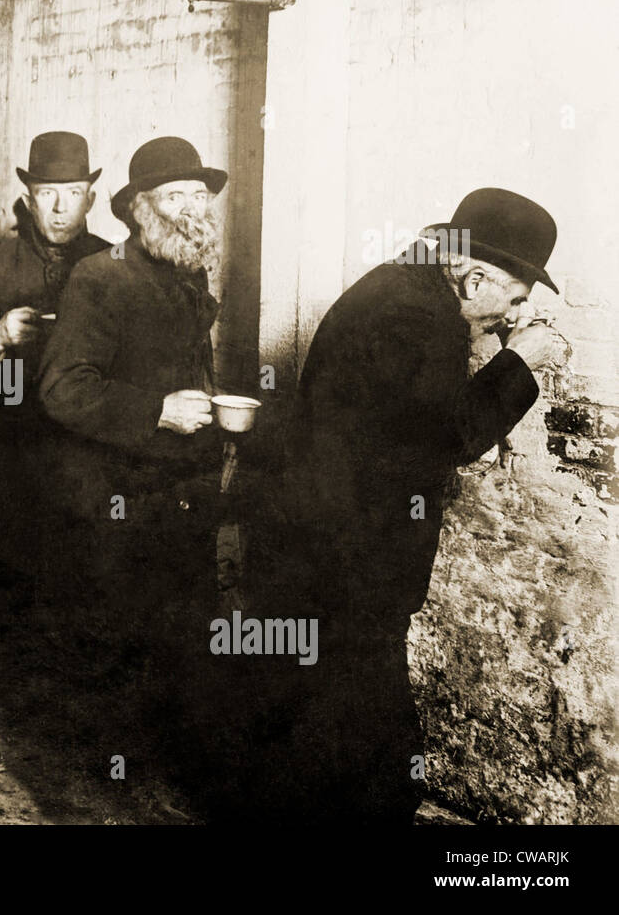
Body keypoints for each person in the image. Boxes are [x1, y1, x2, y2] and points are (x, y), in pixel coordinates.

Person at [236, 188, 564, 825]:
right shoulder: (421, 319)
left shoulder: (401, 288)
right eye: (515, 301)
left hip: (325, 540)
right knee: (365, 738)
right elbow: (450, 435)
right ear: (472, 279)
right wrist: (521, 360)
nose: (510, 318)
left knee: (326, 715)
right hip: (350, 555)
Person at [39, 135, 227, 780]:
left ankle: (167, 768)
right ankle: (96, 787)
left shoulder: (187, 269)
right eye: (174, 196)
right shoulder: (100, 276)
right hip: (111, 492)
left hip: (180, 488)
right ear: (140, 207)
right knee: (113, 640)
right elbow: (63, 390)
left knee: (180, 635)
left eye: (199, 196)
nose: (191, 208)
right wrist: (157, 410)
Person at [0, 131, 110, 598]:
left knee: (82, 576)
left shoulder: (112, 263)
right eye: (46, 194)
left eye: (73, 194)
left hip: (88, 452)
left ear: (90, 200)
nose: (60, 207)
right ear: (28, 201)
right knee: (5, 578)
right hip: (9, 447)